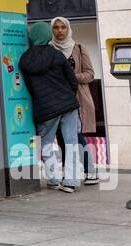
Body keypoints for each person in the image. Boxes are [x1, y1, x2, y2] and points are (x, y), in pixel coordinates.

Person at [21, 22, 81, 192]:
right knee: (71, 143)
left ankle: (54, 179)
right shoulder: (57, 55)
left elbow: (29, 88)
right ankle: (71, 181)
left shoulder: (25, 60)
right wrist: (67, 97)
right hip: (67, 105)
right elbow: (73, 81)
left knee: (46, 143)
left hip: (45, 108)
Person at [50, 17, 101, 186]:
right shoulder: (49, 49)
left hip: (77, 98)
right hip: (57, 99)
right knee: (62, 138)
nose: (59, 30)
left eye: (63, 27)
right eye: (56, 27)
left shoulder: (78, 48)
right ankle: (69, 173)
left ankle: (90, 170)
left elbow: (90, 74)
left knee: (77, 136)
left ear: (68, 28)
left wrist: (71, 77)